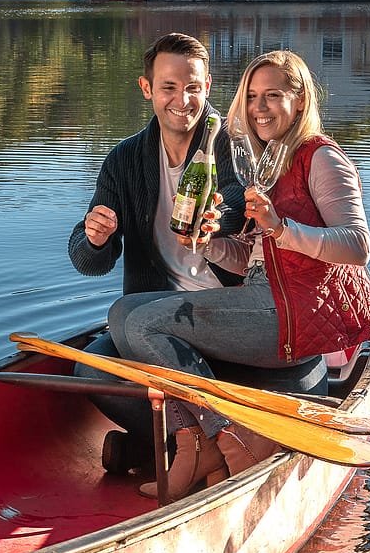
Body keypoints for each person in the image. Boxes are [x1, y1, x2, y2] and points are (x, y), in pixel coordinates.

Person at [108, 49, 370, 502]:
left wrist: (280, 227)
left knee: (143, 323)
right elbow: (252, 258)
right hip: (262, 297)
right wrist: (208, 243)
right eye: (252, 96)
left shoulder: (321, 158)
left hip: (293, 311)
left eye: (273, 95)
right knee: (123, 312)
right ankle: (200, 443)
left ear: (300, 99)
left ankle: (220, 438)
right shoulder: (266, 163)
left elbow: (357, 245)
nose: (259, 108)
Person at [68, 32, 245, 474]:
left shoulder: (232, 144)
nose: (181, 100)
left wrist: (215, 223)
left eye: (193, 88)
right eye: (168, 87)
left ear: (207, 87)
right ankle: (191, 448)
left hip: (228, 309)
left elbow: (237, 201)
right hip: (157, 315)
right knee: (89, 372)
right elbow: (89, 262)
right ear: (147, 88)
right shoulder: (124, 159)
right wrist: (95, 237)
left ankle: (175, 450)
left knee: (125, 315)